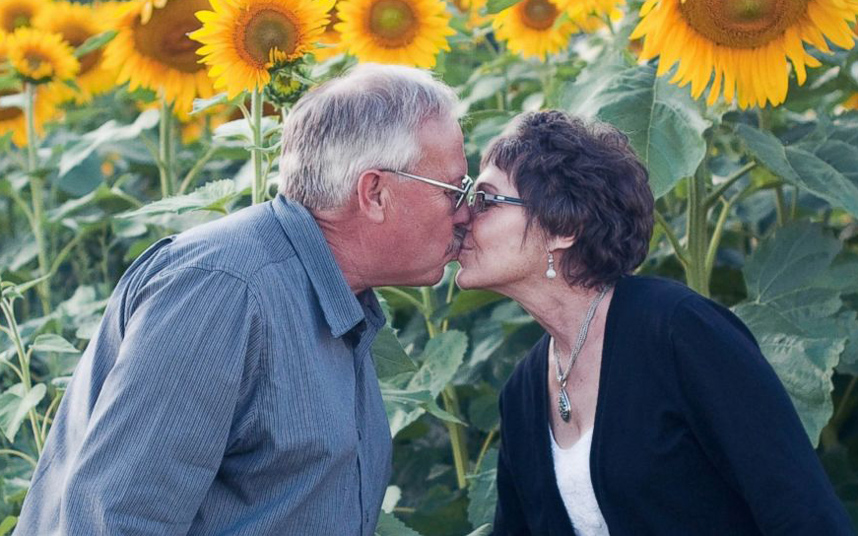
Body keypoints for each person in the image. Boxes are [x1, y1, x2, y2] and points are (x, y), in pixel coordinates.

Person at [16, 64, 472, 535]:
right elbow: (116, 520)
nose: (465, 214)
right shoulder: (224, 292)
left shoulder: (331, 294)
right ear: (374, 193)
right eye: (454, 190)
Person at [456, 110, 853, 535]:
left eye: (484, 200)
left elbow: (803, 514)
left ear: (563, 226)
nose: (461, 217)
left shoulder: (680, 331)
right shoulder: (523, 392)